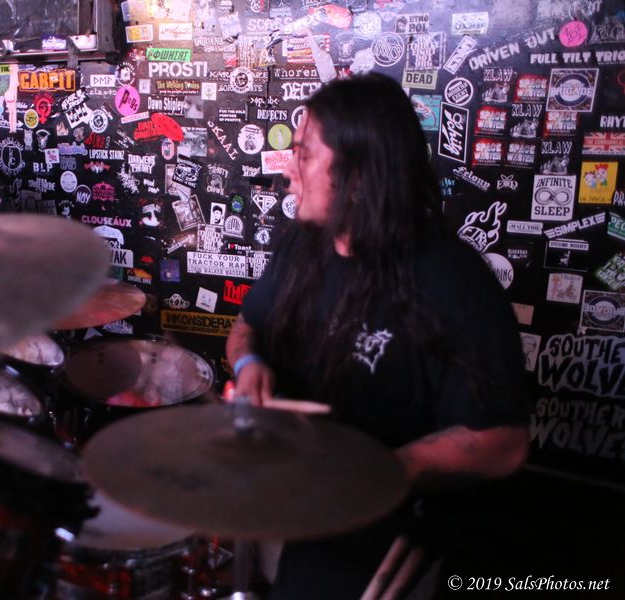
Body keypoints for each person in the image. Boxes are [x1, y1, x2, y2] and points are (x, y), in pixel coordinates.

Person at [225, 72, 532, 599]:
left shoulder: (451, 281)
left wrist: (383, 470)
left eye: (303, 154)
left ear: (359, 175)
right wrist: (247, 365)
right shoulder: (301, 246)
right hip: (307, 499)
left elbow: (503, 444)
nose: (287, 169)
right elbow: (246, 326)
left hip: (396, 527)